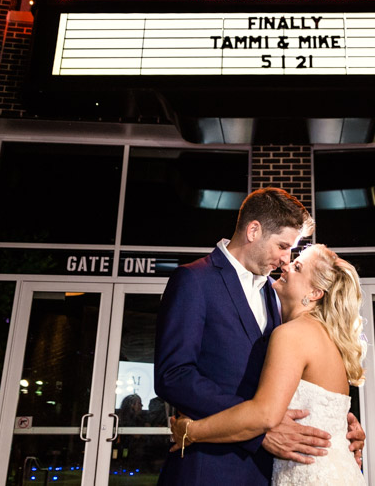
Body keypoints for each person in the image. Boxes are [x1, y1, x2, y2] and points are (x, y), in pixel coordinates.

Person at [154, 187, 364, 484]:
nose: (285, 259)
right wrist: (259, 428)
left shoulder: (277, 296)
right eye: (282, 246)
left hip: (274, 469)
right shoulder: (194, 280)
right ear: (254, 231)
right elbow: (173, 375)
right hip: (212, 467)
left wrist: (341, 423)